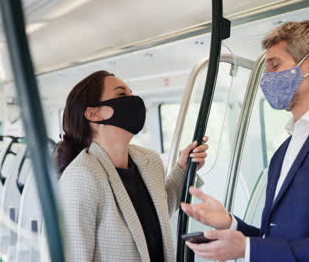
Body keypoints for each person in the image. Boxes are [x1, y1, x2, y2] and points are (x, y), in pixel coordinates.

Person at [181, 21, 309, 261]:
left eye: (275, 66)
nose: (267, 79)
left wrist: (248, 249)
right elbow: (278, 240)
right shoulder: (285, 150)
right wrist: (231, 224)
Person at [56, 70, 209, 262]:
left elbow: (160, 209)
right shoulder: (81, 176)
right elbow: (73, 255)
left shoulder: (149, 160)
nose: (133, 99)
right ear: (93, 114)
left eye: (131, 92)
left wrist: (183, 169)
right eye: (122, 94)